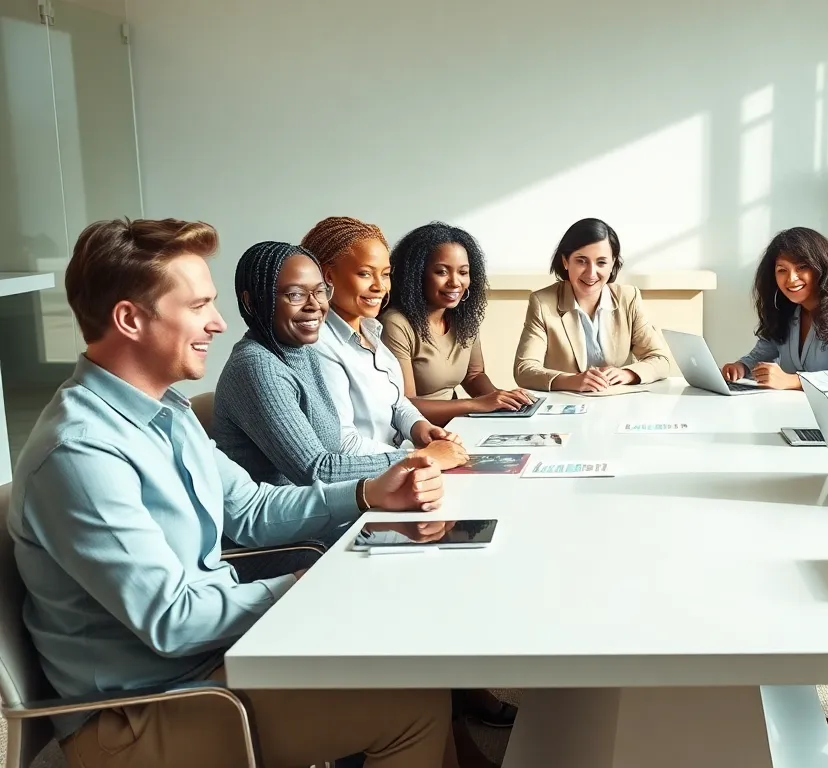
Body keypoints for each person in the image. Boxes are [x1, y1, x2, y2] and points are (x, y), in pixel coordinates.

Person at [7, 217, 493, 768]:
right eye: (198, 306)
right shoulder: (80, 452)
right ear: (129, 320)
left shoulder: (167, 411)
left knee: (408, 658)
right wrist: (302, 586)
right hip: (139, 715)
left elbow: (251, 508)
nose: (217, 323)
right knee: (414, 705)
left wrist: (366, 494)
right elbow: (173, 620)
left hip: (209, 664)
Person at [214, 241, 468, 487]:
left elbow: (336, 445)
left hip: (329, 508)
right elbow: (316, 470)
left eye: (320, 291)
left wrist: (418, 436)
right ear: (251, 302)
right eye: (295, 294)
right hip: (291, 525)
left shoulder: (303, 352)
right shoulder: (258, 366)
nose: (314, 305)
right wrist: (420, 458)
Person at [303, 216, 452, 453]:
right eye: (365, 274)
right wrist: (418, 457)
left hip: (396, 464)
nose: (380, 286)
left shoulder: (371, 330)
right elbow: (342, 444)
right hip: (367, 479)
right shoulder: (319, 344)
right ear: (328, 276)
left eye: (385, 274)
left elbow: (396, 401)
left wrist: (419, 427)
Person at [383, 222, 533, 422]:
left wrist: (504, 401)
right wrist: (476, 405)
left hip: (457, 424)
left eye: (463, 272)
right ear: (416, 275)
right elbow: (405, 404)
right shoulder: (395, 324)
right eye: (442, 272)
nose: (455, 282)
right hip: (415, 434)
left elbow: (474, 375)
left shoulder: (463, 317)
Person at [721, 227, 828, 410]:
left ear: (822, 266)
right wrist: (741, 367)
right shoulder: (788, 309)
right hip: (803, 417)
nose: (791, 279)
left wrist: (790, 380)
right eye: (782, 270)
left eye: (802, 267)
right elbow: (761, 353)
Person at [513, 217, 673, 392]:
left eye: (601, 262)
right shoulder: (542, 302)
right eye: (581, 261)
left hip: (620, 403)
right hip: (568, 404)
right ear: (565, 261)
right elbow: (524, 370)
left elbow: (660, 359)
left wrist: (627, 373)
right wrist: (571, 381)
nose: (591, 273)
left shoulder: (629, 298)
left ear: (612, 263)